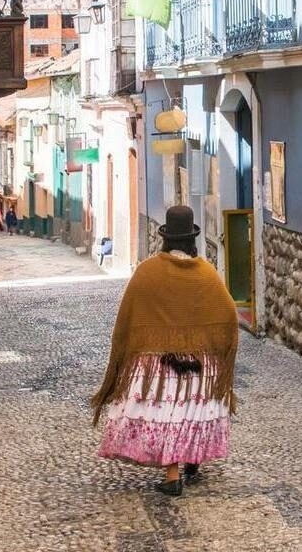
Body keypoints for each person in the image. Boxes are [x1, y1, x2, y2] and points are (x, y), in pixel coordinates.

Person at [91, 205, 238, 496]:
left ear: (166, 238)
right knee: (191, 409)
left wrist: (131, 348)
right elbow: (228, 314)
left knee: (168, 412)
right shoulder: (207, 275)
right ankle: (192, 458)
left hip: (157, 366)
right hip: (199, 363)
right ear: (192, 239)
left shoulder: (147, 272)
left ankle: (173, 477)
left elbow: (128, 316)